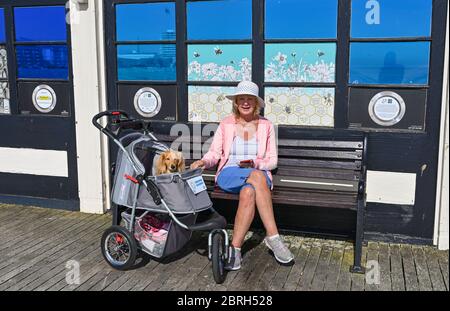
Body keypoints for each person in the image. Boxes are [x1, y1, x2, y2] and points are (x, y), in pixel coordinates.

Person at [191, 81, 294, 270]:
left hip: (257, 175)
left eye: (249, 99)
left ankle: (235, 250)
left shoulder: (266, 125)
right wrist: (204, 162)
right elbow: (215, 153)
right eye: (241, 99)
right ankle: (273, 237)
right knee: (257, 176)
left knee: (249, 192)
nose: (245, 103)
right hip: (229, 173)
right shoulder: (226, 124)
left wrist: (255, 163)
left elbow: (272, 161)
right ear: (236, 102)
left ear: (256, 103)